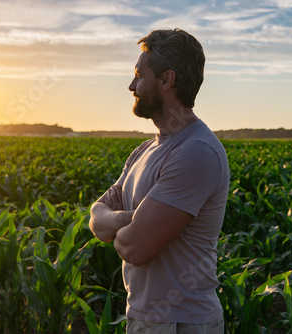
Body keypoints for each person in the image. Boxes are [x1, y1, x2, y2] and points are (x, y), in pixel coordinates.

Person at [89, 28, 229, 334]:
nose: (131, 85)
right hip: (147, 316)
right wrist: (130, 217)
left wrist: (120, 225)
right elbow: (96, 217)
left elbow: (134, 247)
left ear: (166, 80)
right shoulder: (145, 150)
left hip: (181, 322)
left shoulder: (196, 152)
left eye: (140, 75)